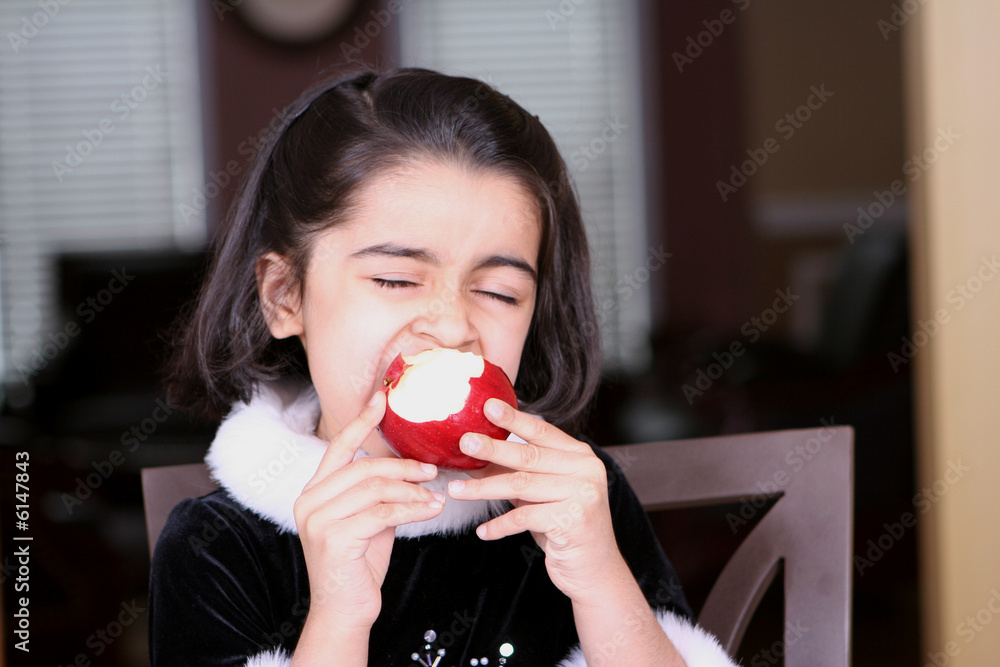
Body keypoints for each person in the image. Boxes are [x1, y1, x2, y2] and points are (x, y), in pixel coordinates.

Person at [149, 67, 736, 667]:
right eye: (395, 280)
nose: (453, 327)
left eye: (500, 293)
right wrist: (339, 616)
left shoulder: (577, 502)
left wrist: (601, 582)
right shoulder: (217, 547)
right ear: (285, 296)